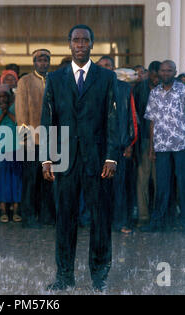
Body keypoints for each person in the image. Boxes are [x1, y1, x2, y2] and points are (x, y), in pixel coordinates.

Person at [41, 25, 119, 292]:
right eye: (76, 40)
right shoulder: (55, 78)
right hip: (64, 159)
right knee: (65, 219)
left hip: (97, 160)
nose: (81, 44)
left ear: (92, 45)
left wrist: (111, 157)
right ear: (69, 44)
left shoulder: (107, 78)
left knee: (100, 218)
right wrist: (47, 159)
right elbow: (48, 121)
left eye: (86, 40)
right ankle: (64, 276)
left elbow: (112, 118)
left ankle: (99, 276)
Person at [142, 60, 185, 234]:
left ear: (175, 72)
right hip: (161, 146)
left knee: (184, 184)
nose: (165, 73)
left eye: (169, 70)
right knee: (162, 185)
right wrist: (151, 147)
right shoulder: (154, 93)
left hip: (181, 145)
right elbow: (151, 121)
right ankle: (158, 222)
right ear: (159, 72)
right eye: (163, 71)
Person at [97, 56, 138, 234]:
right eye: (102, 66)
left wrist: (130, 143)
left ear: (114, 68)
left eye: (109, 65)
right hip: (97, 146)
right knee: (99, 188)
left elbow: (132, 118)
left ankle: (120, 222)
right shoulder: (92, 88)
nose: (106, 68)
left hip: (119, 147)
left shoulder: (124, 88)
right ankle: (100, 223)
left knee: (119, 187)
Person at [15, 48, 55, 227]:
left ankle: (47, 216)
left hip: (52, 139)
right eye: (40, 60)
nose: (43, 63)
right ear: (34, 62)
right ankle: (29, 217)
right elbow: (21, 111)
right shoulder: (25, 81)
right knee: (31, 180)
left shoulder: (55, 80)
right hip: (32, 140)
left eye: (46, 60)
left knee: (49, 180)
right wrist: (24, 141)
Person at [0, 84, 22, 223]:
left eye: (4, 96)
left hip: (16, 148)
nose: (2, 99)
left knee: (16, 180)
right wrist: (2, 114)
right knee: (1, 181)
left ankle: (16, 210)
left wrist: (8, 112)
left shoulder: (15, 107)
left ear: (9, 96)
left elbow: (20, 124)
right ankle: (3, 210)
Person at [133, 61, 161, 227]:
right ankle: (143, 216)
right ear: (149, 73)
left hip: (162, 142)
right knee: (142, 179)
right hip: (143, 139)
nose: (156, 79)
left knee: (159, 180)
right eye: (154, 75)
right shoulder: (139, 88)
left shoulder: (167, 89)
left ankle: (157, 216)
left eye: (159, 76)